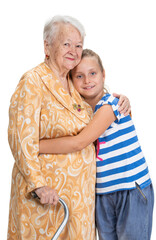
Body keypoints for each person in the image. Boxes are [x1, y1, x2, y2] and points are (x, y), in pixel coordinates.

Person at [8, 15, 131, 240]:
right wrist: (39, 186)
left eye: (78, 45)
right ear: (47, 45)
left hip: (81, 201)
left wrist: (123, 101)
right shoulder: (33, 82)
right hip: (49, 200)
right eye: (66, 44)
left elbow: (98, 116)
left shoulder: (73, 83)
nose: (74, 51)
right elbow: (21, 139)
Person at [39, 49, 154, 240]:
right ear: (71, 80)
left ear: (103, 74)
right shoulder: (81, 115)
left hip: (130, 190)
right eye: (79, 76)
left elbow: (79, 142)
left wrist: (34, 146)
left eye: (92, 73)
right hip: (102, 193)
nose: (87, 81)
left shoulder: (112, 104)